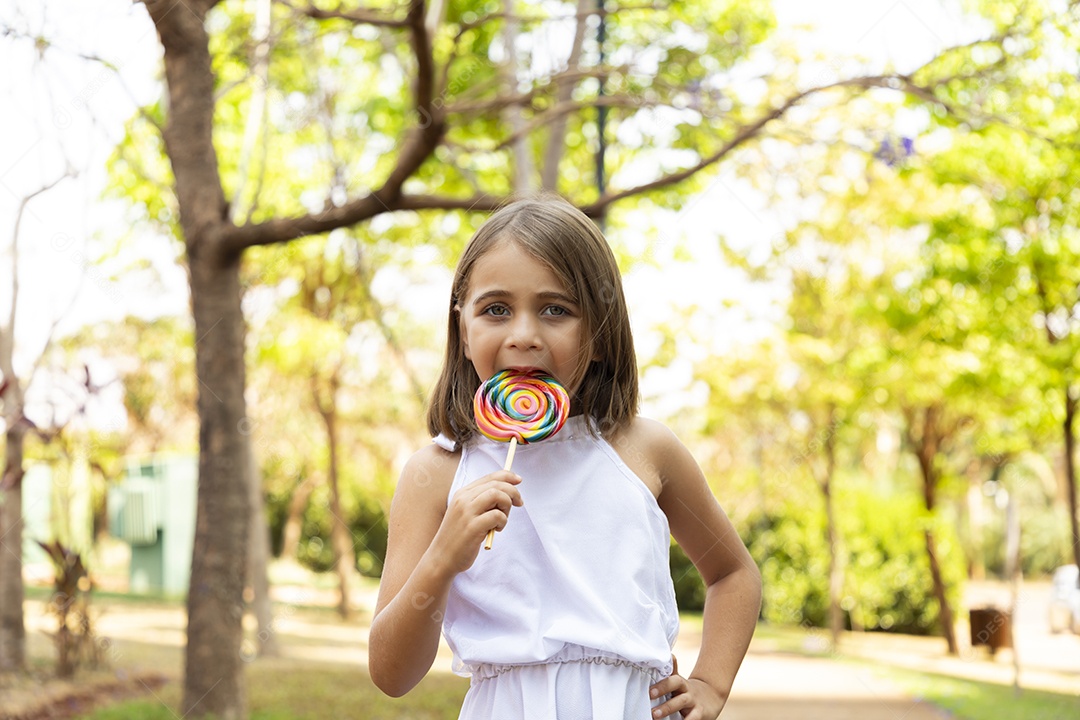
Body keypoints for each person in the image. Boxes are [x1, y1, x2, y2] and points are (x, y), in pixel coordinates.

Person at [368, 196, 761, 719]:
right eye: (496, 309)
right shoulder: (436, 473)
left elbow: (733, 573)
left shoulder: (645, 450)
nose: (524, 335)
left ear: (599, 334)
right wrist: (442, 559)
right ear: (463, 331)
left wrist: (711, 683)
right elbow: (391, 674)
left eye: (556, 309)